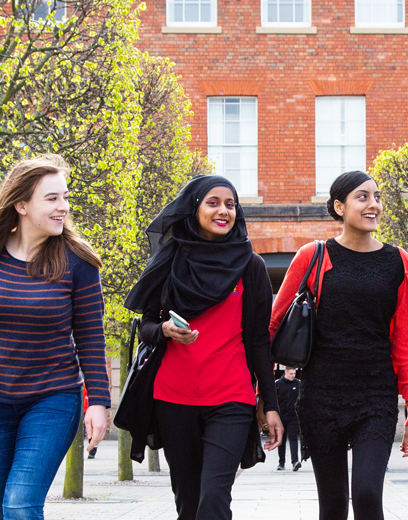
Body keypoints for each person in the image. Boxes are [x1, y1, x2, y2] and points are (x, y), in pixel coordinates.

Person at [0, 154, 111, 520]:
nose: (63, 207)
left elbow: (92, 339)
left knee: (19, 503)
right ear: (20, 204)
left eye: (65, 197)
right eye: (52, 198)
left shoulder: (78, 262)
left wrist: (98, 401)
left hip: (53, 398)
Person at [123, 175, 283, 520]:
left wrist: (269, 405)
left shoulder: (251, 266)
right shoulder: (169, 262)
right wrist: (164, 329)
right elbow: (145, 327)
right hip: (173, 398)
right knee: (188, 502)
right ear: (193, 208)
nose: (223, 210)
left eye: (230, 204)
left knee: (213, 499)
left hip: (231, 399)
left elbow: (259, 342)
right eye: (213, 203)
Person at [270, 170, 408, 520]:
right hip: (321, 397)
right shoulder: (313, 256)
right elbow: (274, 325)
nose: (374, 204)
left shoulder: (398, 262)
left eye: (377, 197)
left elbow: (407, 340)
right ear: (339, 207)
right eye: (363, 197)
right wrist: (263, 398)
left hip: (376, 396)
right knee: (334, 506)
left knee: (368, 495)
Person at [274, 367, 302, 471]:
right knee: (281, 439)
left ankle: (295, 461)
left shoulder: (297, 384)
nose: (293, 376)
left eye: (294, 373)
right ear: (285, 373)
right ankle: (281, 462)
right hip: (281, 416)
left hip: (293, 416)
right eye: (291, 373)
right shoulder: (278, 384)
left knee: (293, 438)